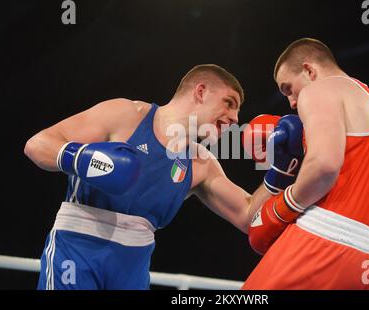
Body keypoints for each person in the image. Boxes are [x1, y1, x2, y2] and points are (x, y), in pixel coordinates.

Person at [24, 64, 305, 290]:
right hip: (78, 247)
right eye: (229, 103)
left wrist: (279, 172)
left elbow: (247, 216)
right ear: (201, 91)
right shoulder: (125, 115)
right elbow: (38, 144)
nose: (234, 118)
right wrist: (87, 159)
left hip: (133, 264)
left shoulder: (201, 163)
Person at [242, 38, 369, 289]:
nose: (292, 102)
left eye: (288, 89)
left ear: (309, 70)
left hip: (321, 243)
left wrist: (282, 207)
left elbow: (325, 165)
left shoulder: (319, 90)